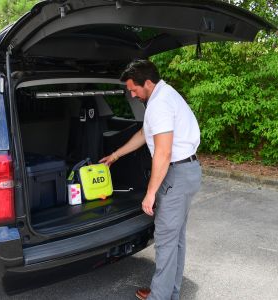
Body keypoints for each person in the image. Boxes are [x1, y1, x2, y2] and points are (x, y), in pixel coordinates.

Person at [99, 60, 202, 300]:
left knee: (166, 241)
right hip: (187, 172)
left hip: (176, 174)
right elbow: (145, 134)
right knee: (175, 239)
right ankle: (166, 292)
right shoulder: (162, 96)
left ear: (147, 82)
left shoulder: (161, 104)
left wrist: (150, 192)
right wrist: (115, 156)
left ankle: (160, 296)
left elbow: (164, 153)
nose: (132, 94)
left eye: (134, 89)